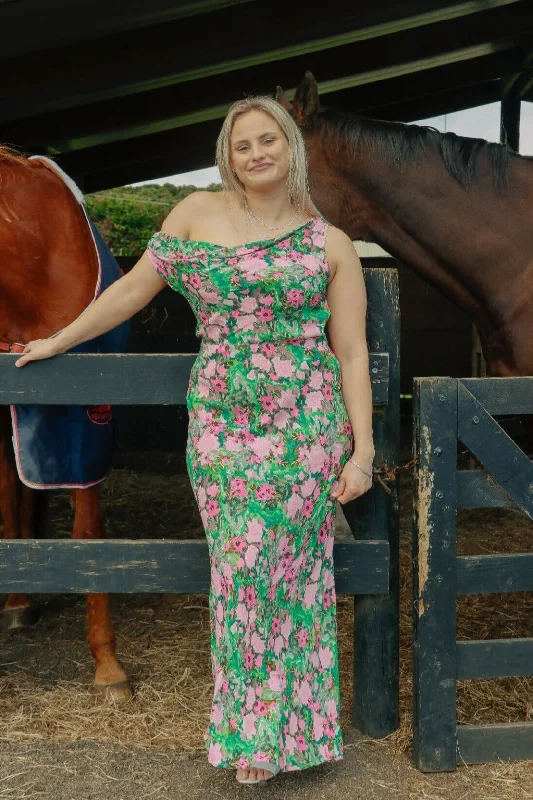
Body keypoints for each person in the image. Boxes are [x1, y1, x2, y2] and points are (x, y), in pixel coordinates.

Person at [15, 95, 374, 785]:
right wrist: (60, 338)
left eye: (269, 139)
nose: (257, 152)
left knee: (293, 581)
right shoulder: (193, 217)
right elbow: (129, 294)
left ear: (290, 148)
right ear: (227, 155)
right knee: (240, 575)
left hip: (305, 429)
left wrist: (359, 452)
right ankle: (251, 734)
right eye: (243, 144)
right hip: (222, 428)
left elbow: (351, 352)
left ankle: (289, 737)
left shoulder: (327, 243)